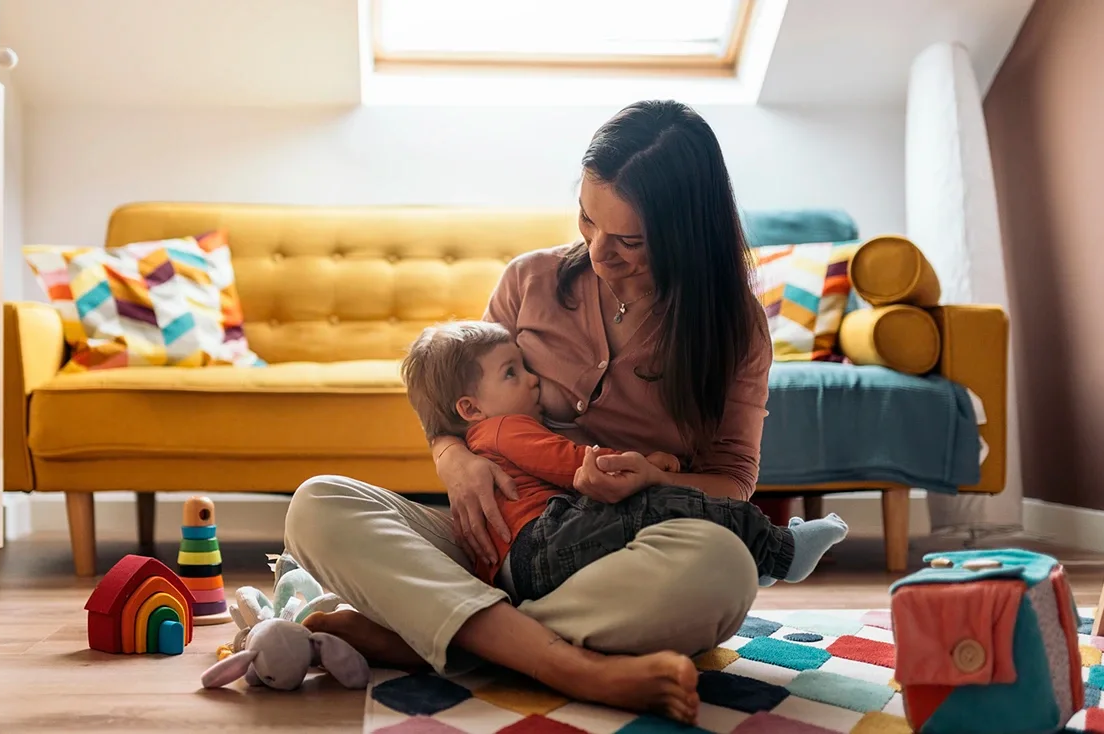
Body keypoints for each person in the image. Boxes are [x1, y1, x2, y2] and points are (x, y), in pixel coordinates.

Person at [285, 100, 773, 723]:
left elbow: (733, 481)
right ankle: (569, 664)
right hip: (491, 542)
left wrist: (655, 480)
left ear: (687, 233)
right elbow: (455, 406)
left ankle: (449, 633)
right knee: (319, 505)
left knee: (724, 570)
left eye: (630, 241)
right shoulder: (529, 280)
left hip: (620, 557)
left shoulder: (734, 328)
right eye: (588, 220)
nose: (599, 252)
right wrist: (454, 460)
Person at [399, 319, 849, 602]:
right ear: (470, 408)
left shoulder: (484, 438)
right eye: (512, 373)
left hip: (512, 573)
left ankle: (756, 558)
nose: (534, 380)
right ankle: (782, 550)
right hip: (541, 544)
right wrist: (643, 463)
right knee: (659, 505)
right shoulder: (504, 429)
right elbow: (572, 464)